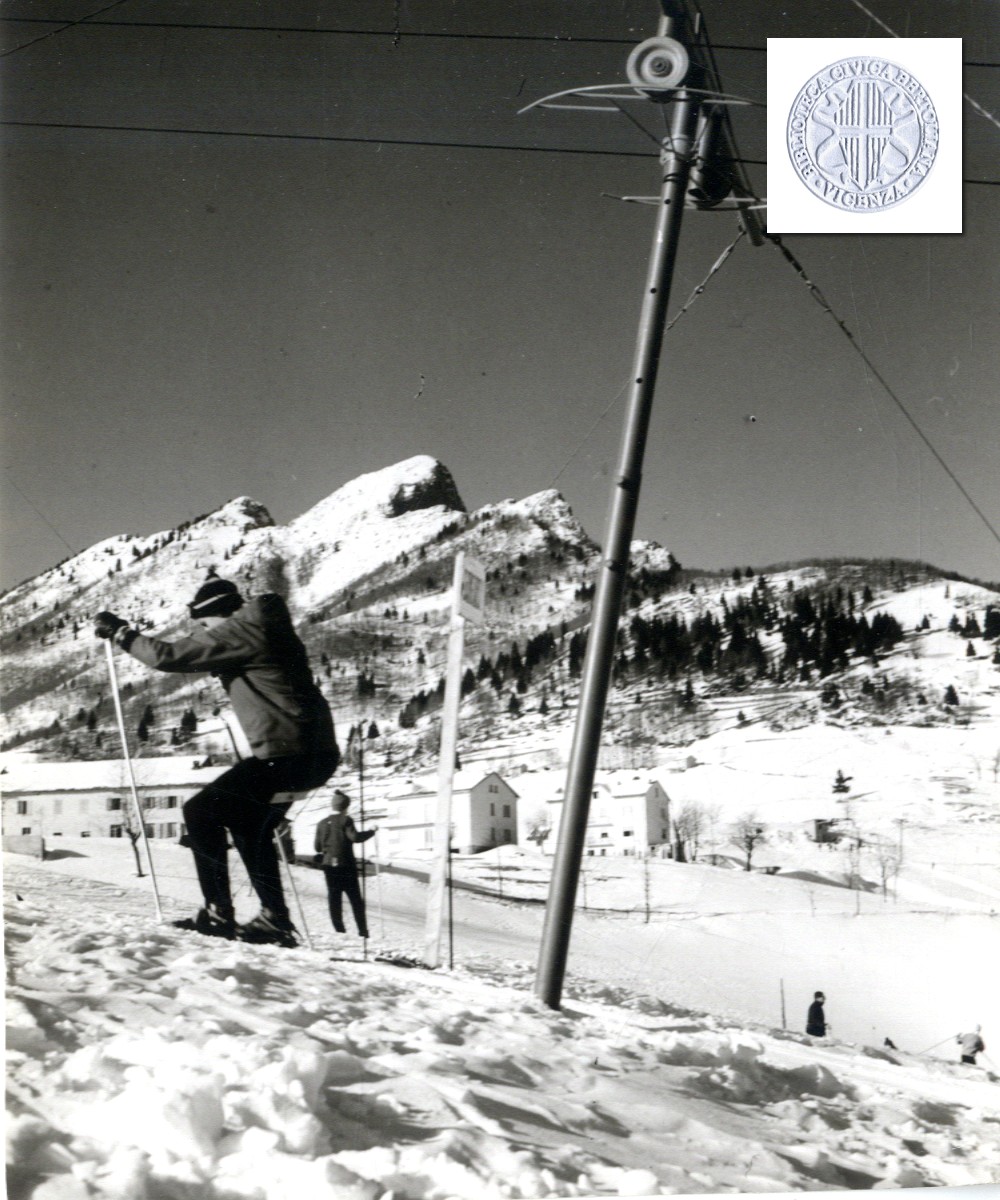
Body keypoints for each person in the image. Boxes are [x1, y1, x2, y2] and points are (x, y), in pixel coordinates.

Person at [95, 576, 339, 945]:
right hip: (310, 754)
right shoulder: (262, 629)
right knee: (247, 824)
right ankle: (272, 918)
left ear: (218, 615)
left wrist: (121, 633)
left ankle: (218, 913)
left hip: (289, 753)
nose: (205, 633)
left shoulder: (245, 629)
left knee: (200, 811)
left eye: (205, 625)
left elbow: (168, 656)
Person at [314, 790, 377, 939]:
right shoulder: (346, 820)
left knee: (334, 899)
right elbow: (355, 837)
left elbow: (317, 847)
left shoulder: (321, 823)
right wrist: (371, 832)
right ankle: (363, 932)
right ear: (345, 806)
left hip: (329, 866)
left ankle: (339, 931)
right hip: (346, 865)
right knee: (355, 900)